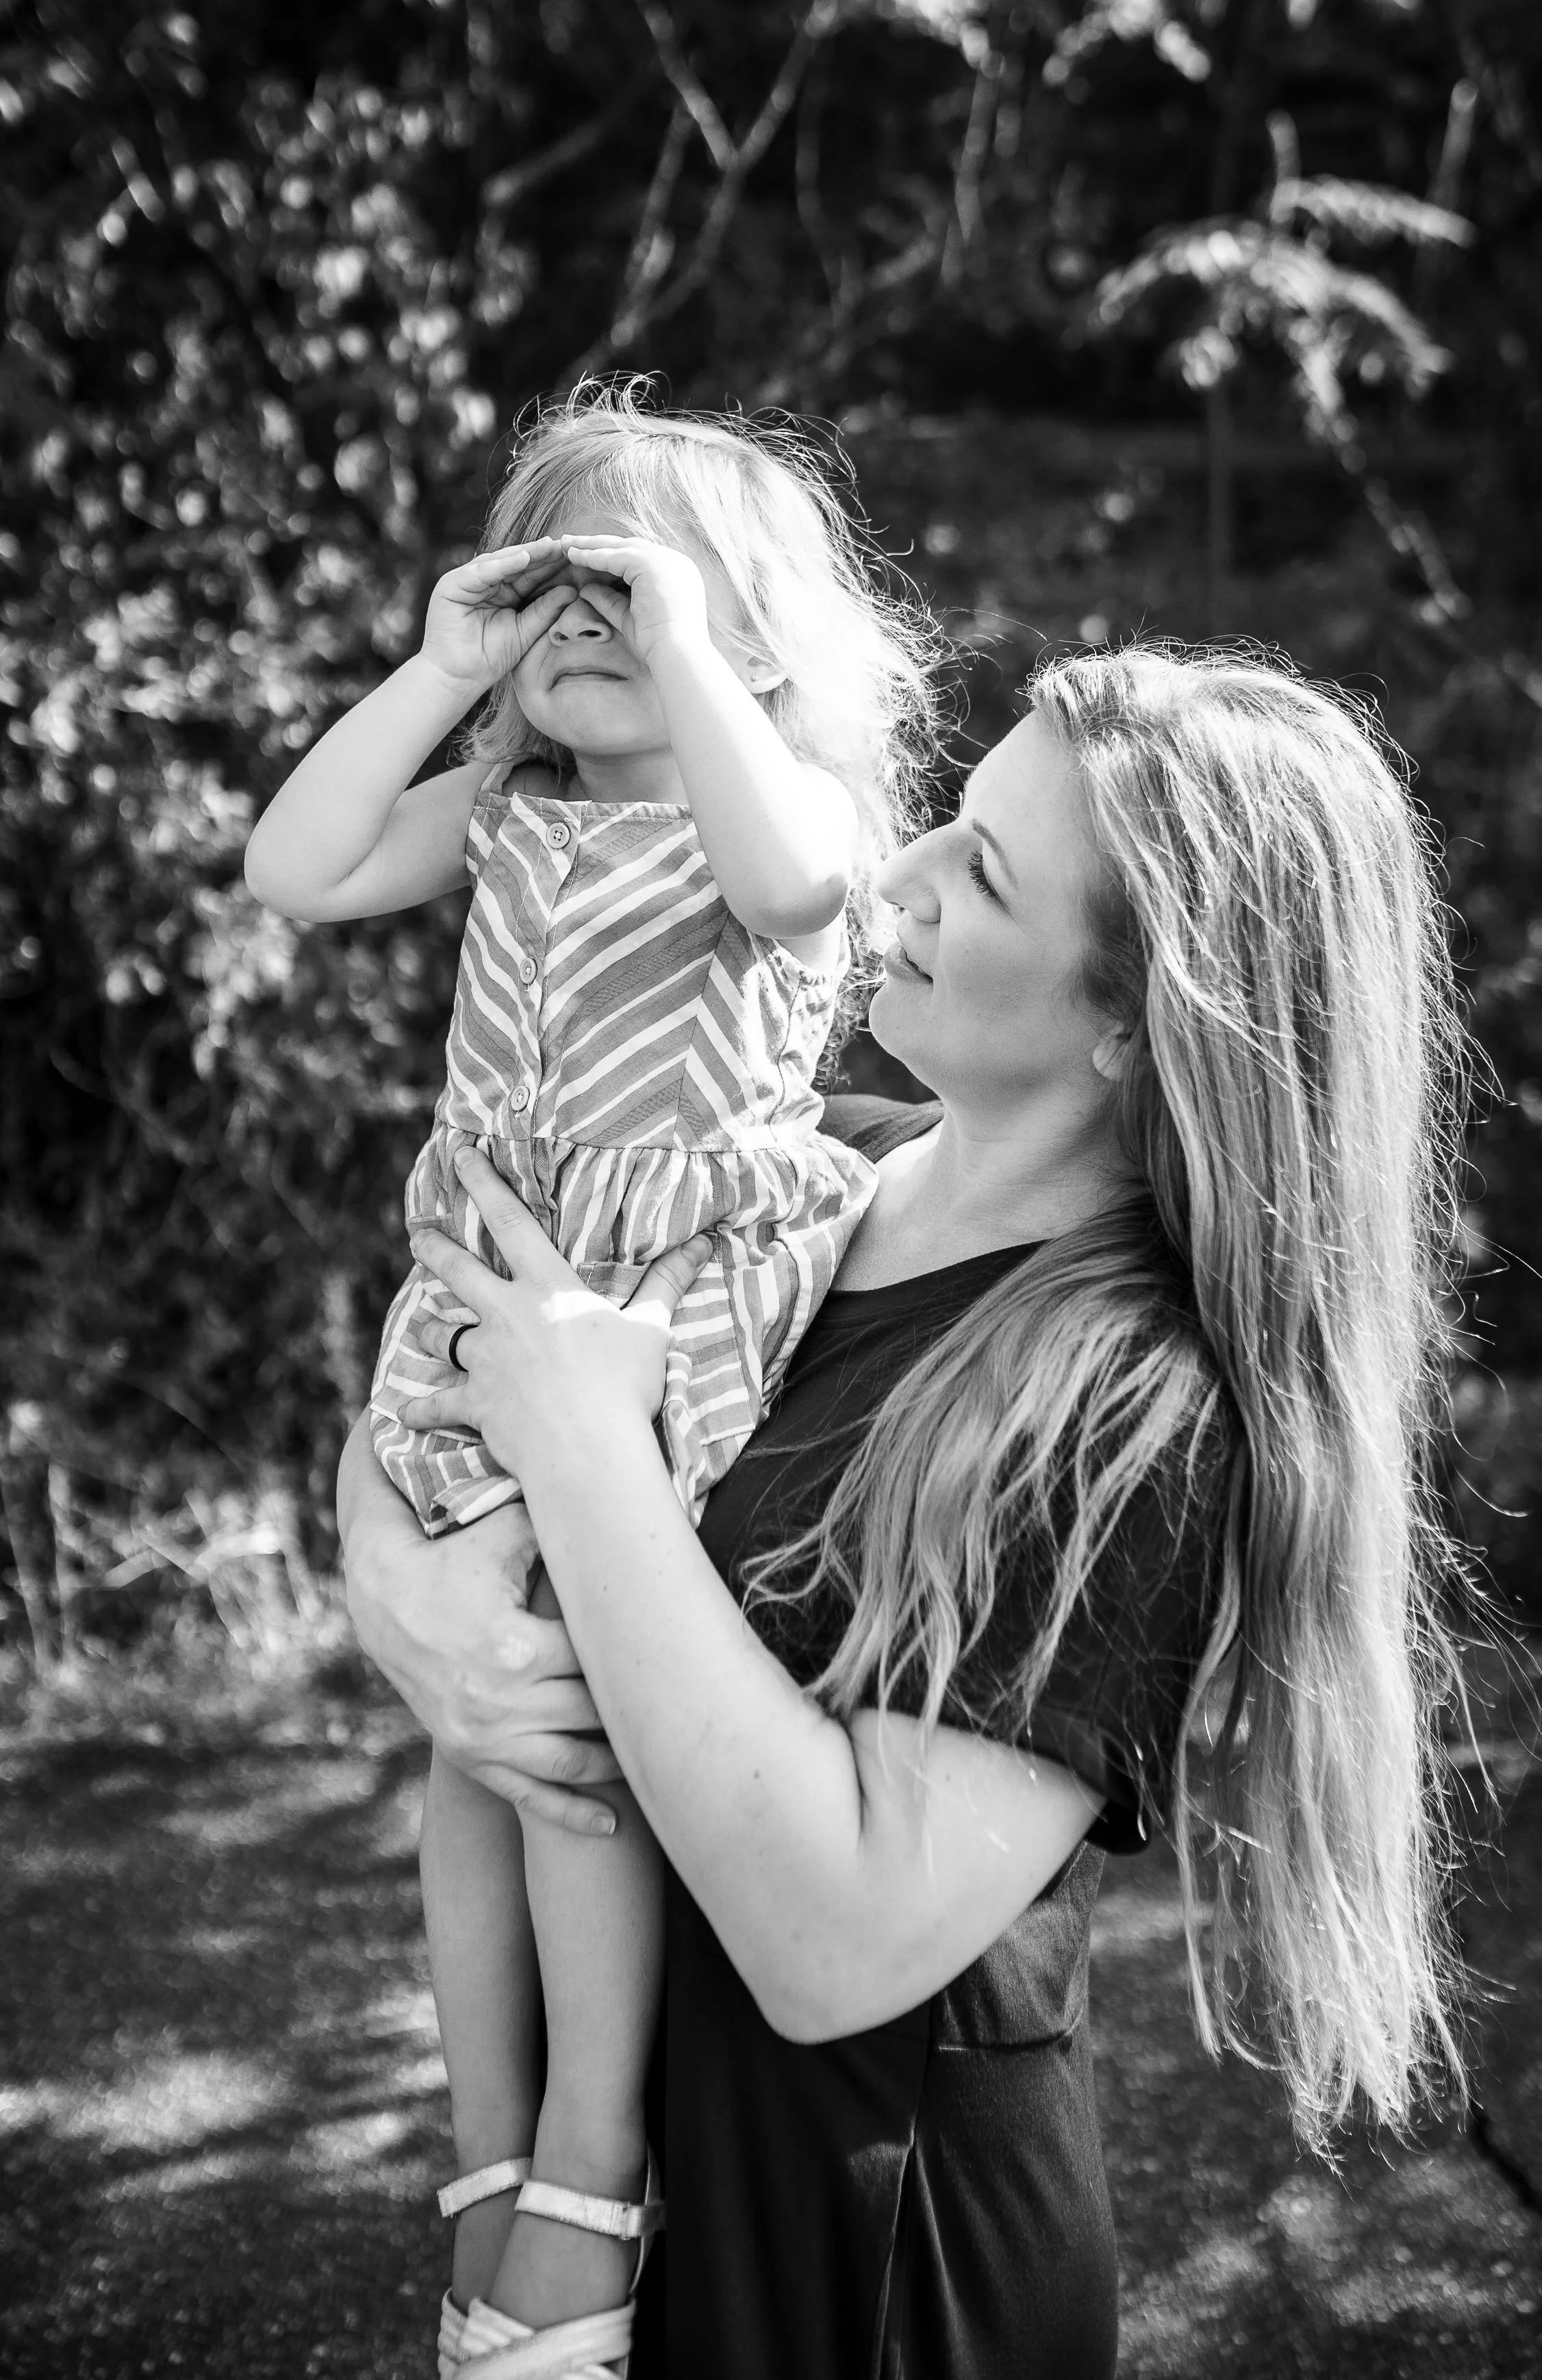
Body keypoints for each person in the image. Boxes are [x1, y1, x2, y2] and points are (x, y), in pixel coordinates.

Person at [339, 642, 1471, 2380]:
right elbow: (447, 1366)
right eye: (947, 816)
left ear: (1133, 1021)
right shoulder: (791, 1168)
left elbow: (834, 1941)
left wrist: (585, 1457)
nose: (898, 873)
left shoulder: (1124, 1403)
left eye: (984, 873)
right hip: (586, 2218)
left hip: (865, 2274)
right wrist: (396, 1590)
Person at [246, 387, 935, 2375]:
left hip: (660, 1300)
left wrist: (689, 654)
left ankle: (587, 2161)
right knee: (475, 1750)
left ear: (756, 644)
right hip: (492, 1271)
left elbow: (797, 893)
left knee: (573, 1731)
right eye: (551, 583)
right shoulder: (504, 810)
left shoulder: (773, 816)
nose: (589, 618)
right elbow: (296, 866)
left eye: (641, 588)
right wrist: (437, 669)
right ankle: (489, 2147)